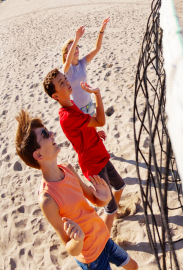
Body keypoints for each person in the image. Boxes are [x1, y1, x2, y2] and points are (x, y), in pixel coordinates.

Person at [14, 109, 138, 270]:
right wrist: (78, 241)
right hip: (91, 256)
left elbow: (95, 201)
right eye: (44, 134)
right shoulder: (47, 199)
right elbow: (69, 247)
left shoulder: (67, 168)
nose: (51, 133)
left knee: (133, 266)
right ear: (38, 155)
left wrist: (106, 198)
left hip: (103, 237)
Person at [43, 69, 125, 232]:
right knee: (109, 209)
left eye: (65, 78)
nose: (67, 82)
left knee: (120, 186)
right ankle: (104, 244)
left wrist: (94, 133)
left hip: (99, 154)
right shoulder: (68, 116)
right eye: (61, 83)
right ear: (56, 96)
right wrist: (97, 94)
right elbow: (100, 120)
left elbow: (85, 128)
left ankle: (113, 213)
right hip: (93, 164)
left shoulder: (71, 104)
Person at [62, 18, 110, 116]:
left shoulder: (83, 62)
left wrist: (101, 30)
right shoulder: (66, 69)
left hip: (89, 105)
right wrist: (76, 39)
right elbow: (67, 63)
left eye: (76, 47)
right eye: (72, 48)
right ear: (66, 55)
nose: (76, 50)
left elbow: (97, 48)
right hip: (78, 110)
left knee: (94, 130)